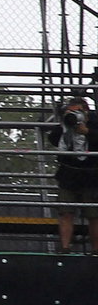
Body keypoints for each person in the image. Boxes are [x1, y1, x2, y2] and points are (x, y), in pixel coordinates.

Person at [48, 96, 98, 253]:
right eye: (71, 112)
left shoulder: (95, 123)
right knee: (65, 212)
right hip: (68, 175)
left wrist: (87, 131)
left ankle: (96, 249)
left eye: (77, 112)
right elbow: (53, 139)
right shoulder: (65, 124)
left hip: (92, 177)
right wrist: (65, 125)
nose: (74, 115)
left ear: (86, 111)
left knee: (94, 215)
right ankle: (64, 247)